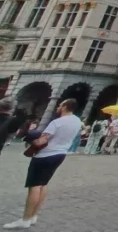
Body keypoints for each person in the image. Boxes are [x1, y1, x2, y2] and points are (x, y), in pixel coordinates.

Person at [3, 98, 82, 229]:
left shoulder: (57, 122)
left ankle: (25, 219)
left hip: (45, 155)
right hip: (60, 154)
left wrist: (29, 138)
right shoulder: (77, 121)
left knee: (34, 186)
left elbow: (41, 140)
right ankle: (34, 216)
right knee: (43, 184)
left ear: (65, 107)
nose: (58, 107)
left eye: (60, 105)